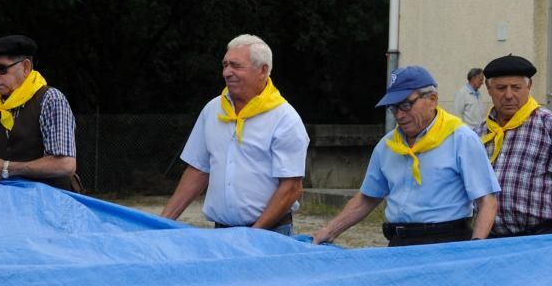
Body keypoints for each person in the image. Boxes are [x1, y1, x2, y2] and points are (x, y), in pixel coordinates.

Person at [312, 66, 499, 246]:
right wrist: (329, 231)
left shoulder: (461, 139)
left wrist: (475, 249)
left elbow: (487, 201)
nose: (399, 115)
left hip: (446, 242)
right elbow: (367, 198)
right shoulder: (387, 145)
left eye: (406, 105)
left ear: (432, 99)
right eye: (393, 108)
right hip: (399, 243)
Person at [161, 34, 309, 235]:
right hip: (221, 233)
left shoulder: (284, 118)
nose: (227, 73)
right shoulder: (212, 110)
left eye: (236, 66)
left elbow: (291, 187)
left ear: (263, 70)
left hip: (270, 234)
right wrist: (160, 225)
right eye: (225, 65)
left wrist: (253, 234)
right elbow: (198, 170)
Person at [475, 55, 552, 237]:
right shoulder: (480, 133)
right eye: (501, 88)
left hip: (539, 237)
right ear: (488, 88)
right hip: (491, 239)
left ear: (529, 86)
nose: (509, 95)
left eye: (516, 88)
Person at [0, 35, 78, 190]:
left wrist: (6, 169)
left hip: (50, 203)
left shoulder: (50, 99)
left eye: (2, 68)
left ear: (26, 67)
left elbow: (65, 165)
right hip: (5, 200)